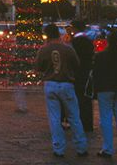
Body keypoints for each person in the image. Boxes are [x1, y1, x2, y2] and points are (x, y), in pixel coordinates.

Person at [34, 23, 88, 158]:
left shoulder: (43, 50)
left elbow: (38, 67)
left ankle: (58, 148)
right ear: (58, 34)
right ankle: (81, 147)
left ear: (47, 35)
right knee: (74, 116)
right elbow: (77, 64)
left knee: (54, 118)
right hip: (66, 84)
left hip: (50, 84)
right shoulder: (68, 49)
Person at [92, 29, 117, 159]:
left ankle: (108, 149)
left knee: (106, 119)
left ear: (107, 41)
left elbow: (96, 74)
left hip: (105, 89)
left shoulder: (100, 56)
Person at [70, 20, 95, 132]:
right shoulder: (88, 41)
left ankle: (79, 122)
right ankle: (88, 124)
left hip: (77, 74)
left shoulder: (75, 42)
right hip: (87, 73)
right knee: (86, 99)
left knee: (78, 99)